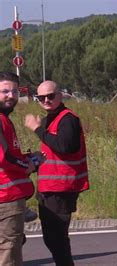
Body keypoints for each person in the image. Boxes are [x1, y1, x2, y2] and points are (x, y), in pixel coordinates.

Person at [24, 80, 89, 266]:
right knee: (52, 239)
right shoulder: (49, 119)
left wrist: (37, 129)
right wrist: (33, 162)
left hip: (61, 189)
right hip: (49, 188)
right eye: (41, 97)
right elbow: (51, 153)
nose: (46, 100)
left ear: (60, 96)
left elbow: (65, 146)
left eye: (50, 96)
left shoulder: (68, 119)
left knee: (57, 240)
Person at [0, 71, 44, 266]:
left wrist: (26, 158)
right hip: (6, 198)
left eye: (15, 91)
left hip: (8, 197)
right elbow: (3, 158)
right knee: (9, 252)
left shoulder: (4, 119)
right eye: (5, 91)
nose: (11, 95)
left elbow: (9, 154)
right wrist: (28, 165)